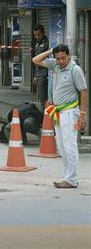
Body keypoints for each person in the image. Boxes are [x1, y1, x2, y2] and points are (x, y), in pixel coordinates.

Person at [33, 44, 88, 189]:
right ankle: (67, 177)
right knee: (62, 146)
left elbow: (83, 92)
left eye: (63, 58)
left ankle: (71, 179)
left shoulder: (75, 70)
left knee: (70, 146)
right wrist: (51, 50)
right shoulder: (55, 66)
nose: (61, 61)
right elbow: (35, 60)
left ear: (69, 55)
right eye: (58, 58)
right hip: (57, 112)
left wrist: (83, 114)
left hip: (70, 112)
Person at [32, 24, 50, 111]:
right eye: (35, 35)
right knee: (41, 97)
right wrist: (35, 75)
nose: (37, 37)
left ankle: (46, 118)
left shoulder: (47, 43)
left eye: (39, 34)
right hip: (39, 73)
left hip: (45, 72)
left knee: (44, 97)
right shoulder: (37, 44)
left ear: (43, 33)